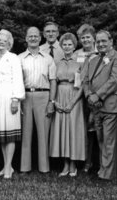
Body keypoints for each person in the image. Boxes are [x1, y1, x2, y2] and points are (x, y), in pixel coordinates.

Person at [84, 30, 117, 180]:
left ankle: (107, 174)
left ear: (111, 41)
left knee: (109, 140)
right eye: (98, 42)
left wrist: (98, 95)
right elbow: (87, 81)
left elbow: (115, 80)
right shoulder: (94, 60)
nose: (101, 44)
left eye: (104, 41)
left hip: (111, 104)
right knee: (101, 138)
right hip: (96, 105)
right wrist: (89, 95)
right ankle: (103, 169)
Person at [18, 27, 56, 174]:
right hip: (25, 96)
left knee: (43, 133)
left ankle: (44, 167)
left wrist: (52, 102)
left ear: (40, 38)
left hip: (43, 96)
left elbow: (53, 81)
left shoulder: (48, 58)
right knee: (26, 133)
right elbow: (17, 81)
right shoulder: (19, 58)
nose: (33, 38)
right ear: (26, 38)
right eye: (30, 36)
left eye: (36, 36)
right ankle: (25, 167)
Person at [50, 33, 86, 177]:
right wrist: (55, 102)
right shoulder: (57, 63)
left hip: (74, 96)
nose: (67, 47)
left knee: (73, 129)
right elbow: (53, 82)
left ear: (74, 46)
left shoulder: (80, 62)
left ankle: (73, 164)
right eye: (64, 44)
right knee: (62, 130)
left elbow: (82, 85)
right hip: (60, 95)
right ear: (61, 46)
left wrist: (72, 102)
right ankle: (65, 164)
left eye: (70, 44)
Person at [0, 29, 25, 179]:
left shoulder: (13, 57)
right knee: (1, 135)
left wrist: (16, 99)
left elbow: (18, 79)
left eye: (4, 40)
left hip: (10, 98)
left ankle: (8, 168)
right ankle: (6, 167)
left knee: (9, 135)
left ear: (9, 42)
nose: (1, 42)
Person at [73, 24, 98, 173]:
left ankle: (94, 161)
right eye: (82, 37)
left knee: (94, 129)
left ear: (93, 38)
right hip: (79, 96)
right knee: (82, 129)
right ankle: (83, 161)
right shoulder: (77, 54)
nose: (85, 40)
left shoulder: (100, 53)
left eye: (88, 37)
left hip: (94, 95)